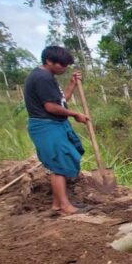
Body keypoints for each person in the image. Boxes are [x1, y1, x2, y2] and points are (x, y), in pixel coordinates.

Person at [24, 45, 90, 216]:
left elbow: (60, 102)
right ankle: (65, 207)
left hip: (53, 125)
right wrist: (75, 114)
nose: (64, 68)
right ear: (49, 61)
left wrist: (71, 84)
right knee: (59, 164)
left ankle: (57, 204)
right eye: (62, 65)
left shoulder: (46, 76)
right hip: (46, 126)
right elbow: (51, 107)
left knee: (61, 161)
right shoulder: (43, 78)